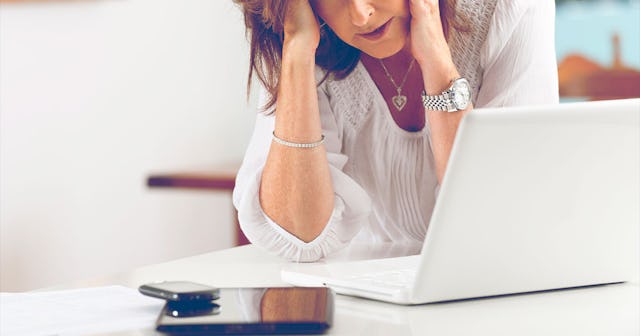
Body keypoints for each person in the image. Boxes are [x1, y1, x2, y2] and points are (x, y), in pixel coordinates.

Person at [232, 0, 559, 262]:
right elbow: (298, 233)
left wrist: (437, 62)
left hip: (495, 290)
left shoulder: (508, 8)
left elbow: (499, 221)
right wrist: (297, 51)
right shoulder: (307, 33)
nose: (361, 15)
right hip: (367, 296)